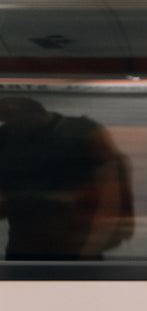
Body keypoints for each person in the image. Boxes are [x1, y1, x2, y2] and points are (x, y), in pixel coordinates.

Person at [0, 97, 134, 260]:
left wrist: (93, 245)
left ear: (33, 113)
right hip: (24, 243)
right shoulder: (6, 137)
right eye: (5, 119)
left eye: (11, 117)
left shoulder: (81, 131)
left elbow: (111, 192)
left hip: (75, 240)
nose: (10, 124)